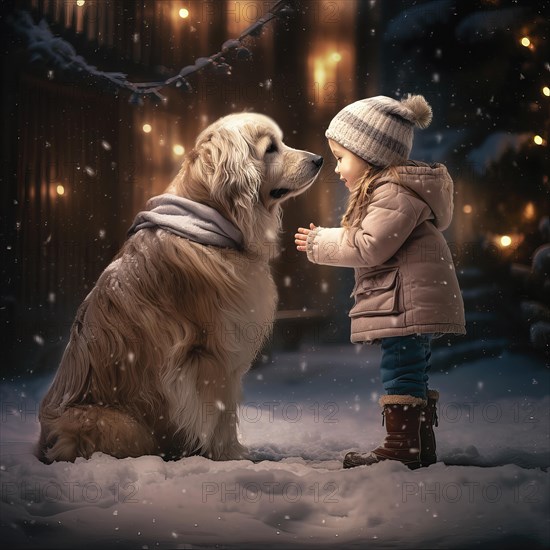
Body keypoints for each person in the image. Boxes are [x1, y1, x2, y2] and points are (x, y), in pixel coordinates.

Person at [295, 94, 466, 469]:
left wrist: (320, 241)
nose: (337, 169)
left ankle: (402, 446)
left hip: (406, 300)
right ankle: (418, 443)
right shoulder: (393, 191)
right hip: (408, 297)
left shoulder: (392, 193)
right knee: (412, 366)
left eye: (342, 158)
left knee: (401, 367)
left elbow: (371, 246)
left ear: (370, 154)